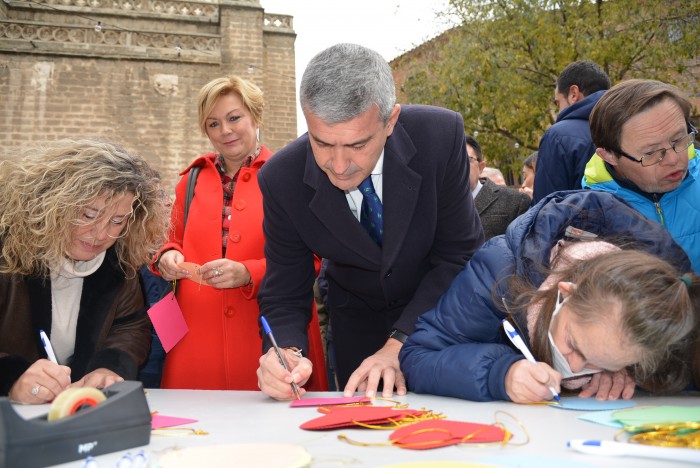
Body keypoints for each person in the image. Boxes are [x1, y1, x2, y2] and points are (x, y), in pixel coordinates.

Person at [256, 43, 484, 400]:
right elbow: (284, 290)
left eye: (358, 145)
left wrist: (399, 343)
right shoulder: (280, 179)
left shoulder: (440, 136)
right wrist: (283, 352)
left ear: (390, 121)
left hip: (441, 318)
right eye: (322, 144)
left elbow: (459, 254)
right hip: (356, 330)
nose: (339, 164)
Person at [400, 190, 697, 402]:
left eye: (601, 364)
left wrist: (632, 374)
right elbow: (418, 358)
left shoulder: (658, 308)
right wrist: (500, 374)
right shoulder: (499, 270)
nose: (578, 368)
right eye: (575, 346)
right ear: (565, 293)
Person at [151, 75, 328, 391]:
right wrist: (167, 256)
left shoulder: (290, 176)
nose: (225, 131)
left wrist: (250, 272)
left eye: (234, 118)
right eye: (213, 123)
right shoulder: (189, 180)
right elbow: (169, 239)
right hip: (194, 340)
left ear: (255, 117)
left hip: (271, 331)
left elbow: (315, 256)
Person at [0, 139, 169, 404]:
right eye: (89, 215)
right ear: (54, 203)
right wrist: (11, 379)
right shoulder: (7, 251)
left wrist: (110, 367)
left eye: (117, 221)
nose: (101, 234)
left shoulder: (118, 262)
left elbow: (131, 325)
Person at [582, 79, 700, 272]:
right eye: (651, 153)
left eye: (679, 139)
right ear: (609, 155)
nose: (673, 159)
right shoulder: (589, 218)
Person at [533, 61, 611, 203]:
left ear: (573, 94)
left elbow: (547, 207)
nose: (558, 110)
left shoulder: (558, 136)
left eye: (558, 103)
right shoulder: (630, 124)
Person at [467, 135, 530, 240]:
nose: (457, 165)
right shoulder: (437, 205)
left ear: (481, 167)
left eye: (465, 159)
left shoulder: (515, 201)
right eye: (451, 160)